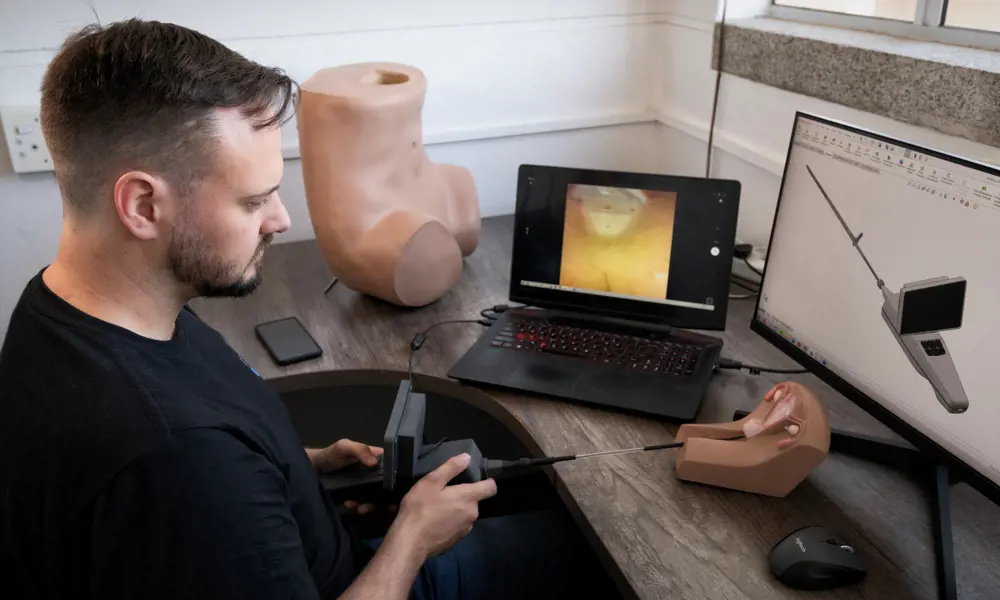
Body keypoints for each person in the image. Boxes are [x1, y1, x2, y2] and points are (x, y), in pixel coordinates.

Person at [0, 18, 618, 600]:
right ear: (142, 205)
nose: (282, 219)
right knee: (590, 551)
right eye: (254, 200)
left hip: (316, 539)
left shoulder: (67, 311)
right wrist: (411, 541)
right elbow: (192, 470)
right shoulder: (176, 461)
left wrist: (296, 471)